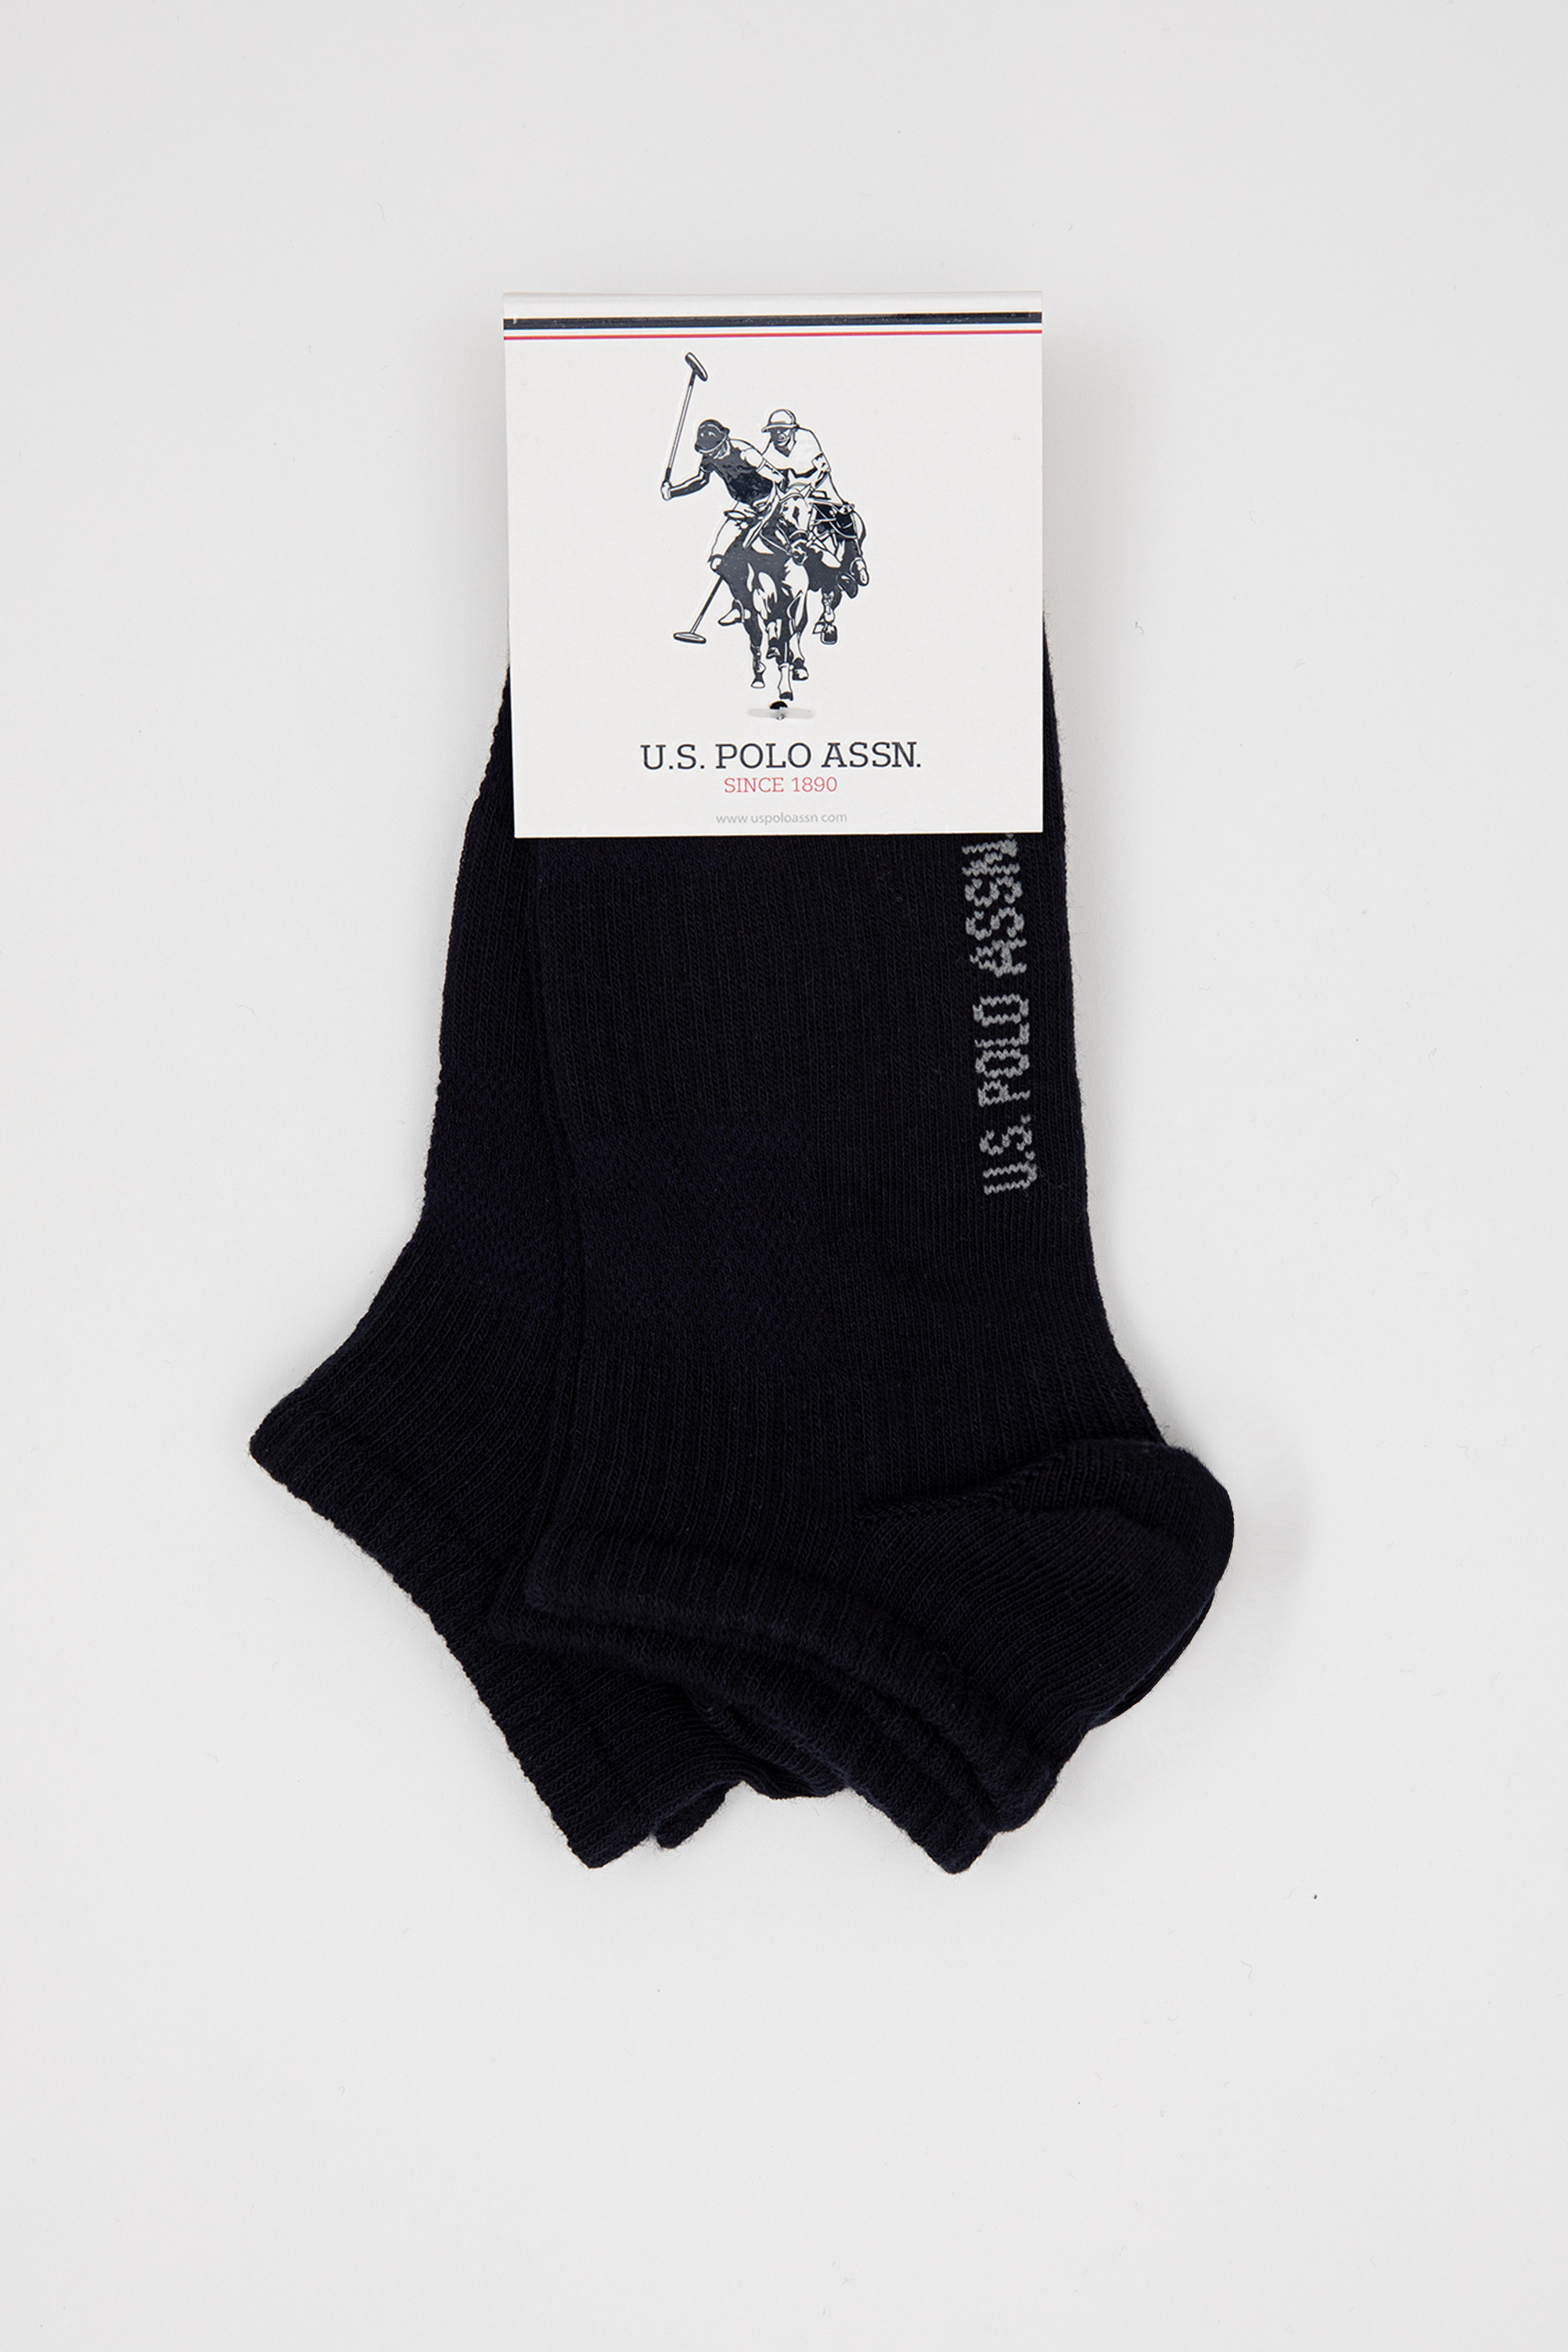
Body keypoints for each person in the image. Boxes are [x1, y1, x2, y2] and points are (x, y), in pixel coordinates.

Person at [662, 420, 782, 622]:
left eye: (716, 450)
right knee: (717, 561)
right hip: (743, 506)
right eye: (709, 452)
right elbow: (701, 480)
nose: (713, 455)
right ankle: (743, 606)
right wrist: (673, 492)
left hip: (769, 501)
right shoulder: (709, 458)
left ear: (725, 440)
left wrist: (773, 504)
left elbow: (777, 478)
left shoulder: (745, 453)